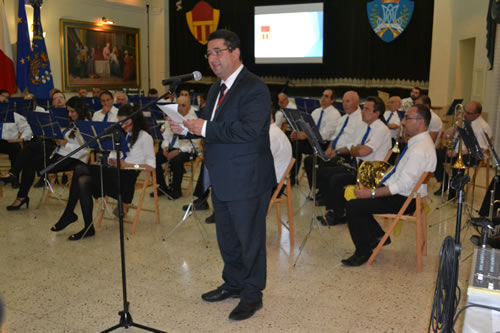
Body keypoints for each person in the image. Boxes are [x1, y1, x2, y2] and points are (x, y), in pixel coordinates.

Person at [169, 29, 275, 321]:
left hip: (247, 178)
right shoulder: (216, 89)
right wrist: (187, 128)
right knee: (227, 238)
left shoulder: (254, 87)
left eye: (218, 51)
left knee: (249, 240)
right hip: (222, 176)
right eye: (209, 53)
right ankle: (233, 283)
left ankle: (252, 296)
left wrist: (203, 128)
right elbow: (212, 129)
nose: (213, 58)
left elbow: (250, 131)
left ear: (235, 52)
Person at [341, 104, 437, 266]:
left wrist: (370, 193)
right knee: (354, 195)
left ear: (421, 122)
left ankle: (363, 252)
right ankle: (376, 236)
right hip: (410, 195)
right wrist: (374, 188)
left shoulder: (419, 150)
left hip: (404, 199)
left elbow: (402, 186)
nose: (403, 122)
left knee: (354, 206)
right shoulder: (421, 142)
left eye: (407, 118)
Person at [52, 104, 155, 240]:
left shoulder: (144, 137)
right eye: (120, 122)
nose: (122, 125)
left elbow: (151, 166)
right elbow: (113, 155)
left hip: (127, 179)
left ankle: (70, 214)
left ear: (134, 120)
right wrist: (112, 160)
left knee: (81, 170)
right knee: (83, 181)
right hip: (113, 174)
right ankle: (87, 227)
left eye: (125, 122)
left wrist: (128, 165)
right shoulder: (124, 135)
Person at [4, 97, 92, 211]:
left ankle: (19, 191)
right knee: (30, 148)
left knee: (29, 160)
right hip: (60, 153)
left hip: (73, 160)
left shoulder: (86, 125)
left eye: (72, 111)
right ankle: (16, 182)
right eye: (68, 111)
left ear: (80, 110)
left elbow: (85, 150)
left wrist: (65, 144)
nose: (69, 114)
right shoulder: (73, 123)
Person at [317, 96, 392, 226]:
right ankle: (333, 209)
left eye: (367, 109)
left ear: (377, 113)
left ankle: (340, 215)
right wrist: (356, 149)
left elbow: (363, 151)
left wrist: (356, 149)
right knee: (323, 172)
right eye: (363, 108)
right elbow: (353, 147)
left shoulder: (381, 129)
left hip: (371, 172)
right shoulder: (365, 126)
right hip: (358, 166)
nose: (362, 111)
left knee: (336, 179)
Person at [433, 101, 492, 198]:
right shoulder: (463, 120)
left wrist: (456, 153)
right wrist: (456, 126)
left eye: (468, 113)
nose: (465, 114)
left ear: (477, 114)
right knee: (434, 155)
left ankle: (454, 193)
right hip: (455, 150)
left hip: (472, 155)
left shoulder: (483, 127)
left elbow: (479, 149)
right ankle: (444, 182)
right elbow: (447, 136)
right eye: (464, 111)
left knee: (459, 161)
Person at [290, 88, 340, 186]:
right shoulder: (316, 112)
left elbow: (324, 134)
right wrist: (297, 132)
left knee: (302, 144)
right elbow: (306, 127)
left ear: (332, 100)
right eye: (322, 95)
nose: (322, 98)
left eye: (326, 96)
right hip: (311, 141)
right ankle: (293, 177)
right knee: (295, 141)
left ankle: (315, 185)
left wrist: (305, 135)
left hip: (323, 144)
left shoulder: (335, 114)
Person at [153, 96, 199, 199]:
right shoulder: (172, 116)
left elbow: (195, 144)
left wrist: (178, 151)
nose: (180, 108)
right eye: (178, 105)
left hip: (188, 150)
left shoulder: (194, 118)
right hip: (172, 147)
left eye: (183, 105)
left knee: (176, 160)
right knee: (154, 159)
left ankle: (176, 190)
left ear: (189, 106)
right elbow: (166, 135)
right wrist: (164, 147)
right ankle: (162, 187)